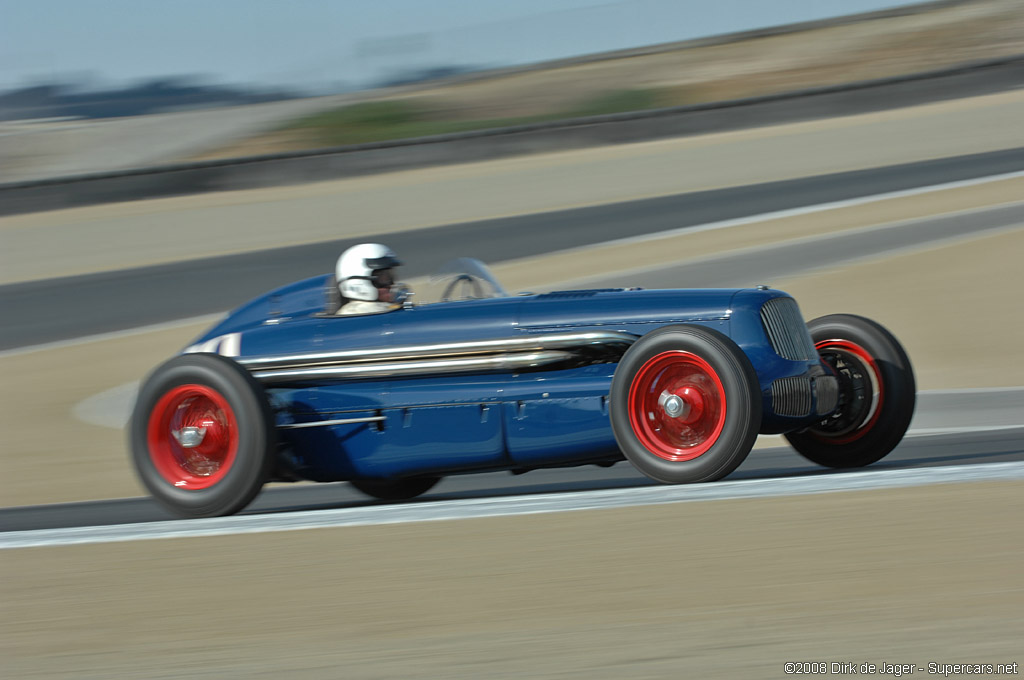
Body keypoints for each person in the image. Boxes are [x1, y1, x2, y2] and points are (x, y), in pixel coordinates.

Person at [335, 243, 403, 315]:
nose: (391, 285)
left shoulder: (388, 309)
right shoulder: (360, 314)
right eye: (384, 279)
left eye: (390, 276)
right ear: (359, 283)